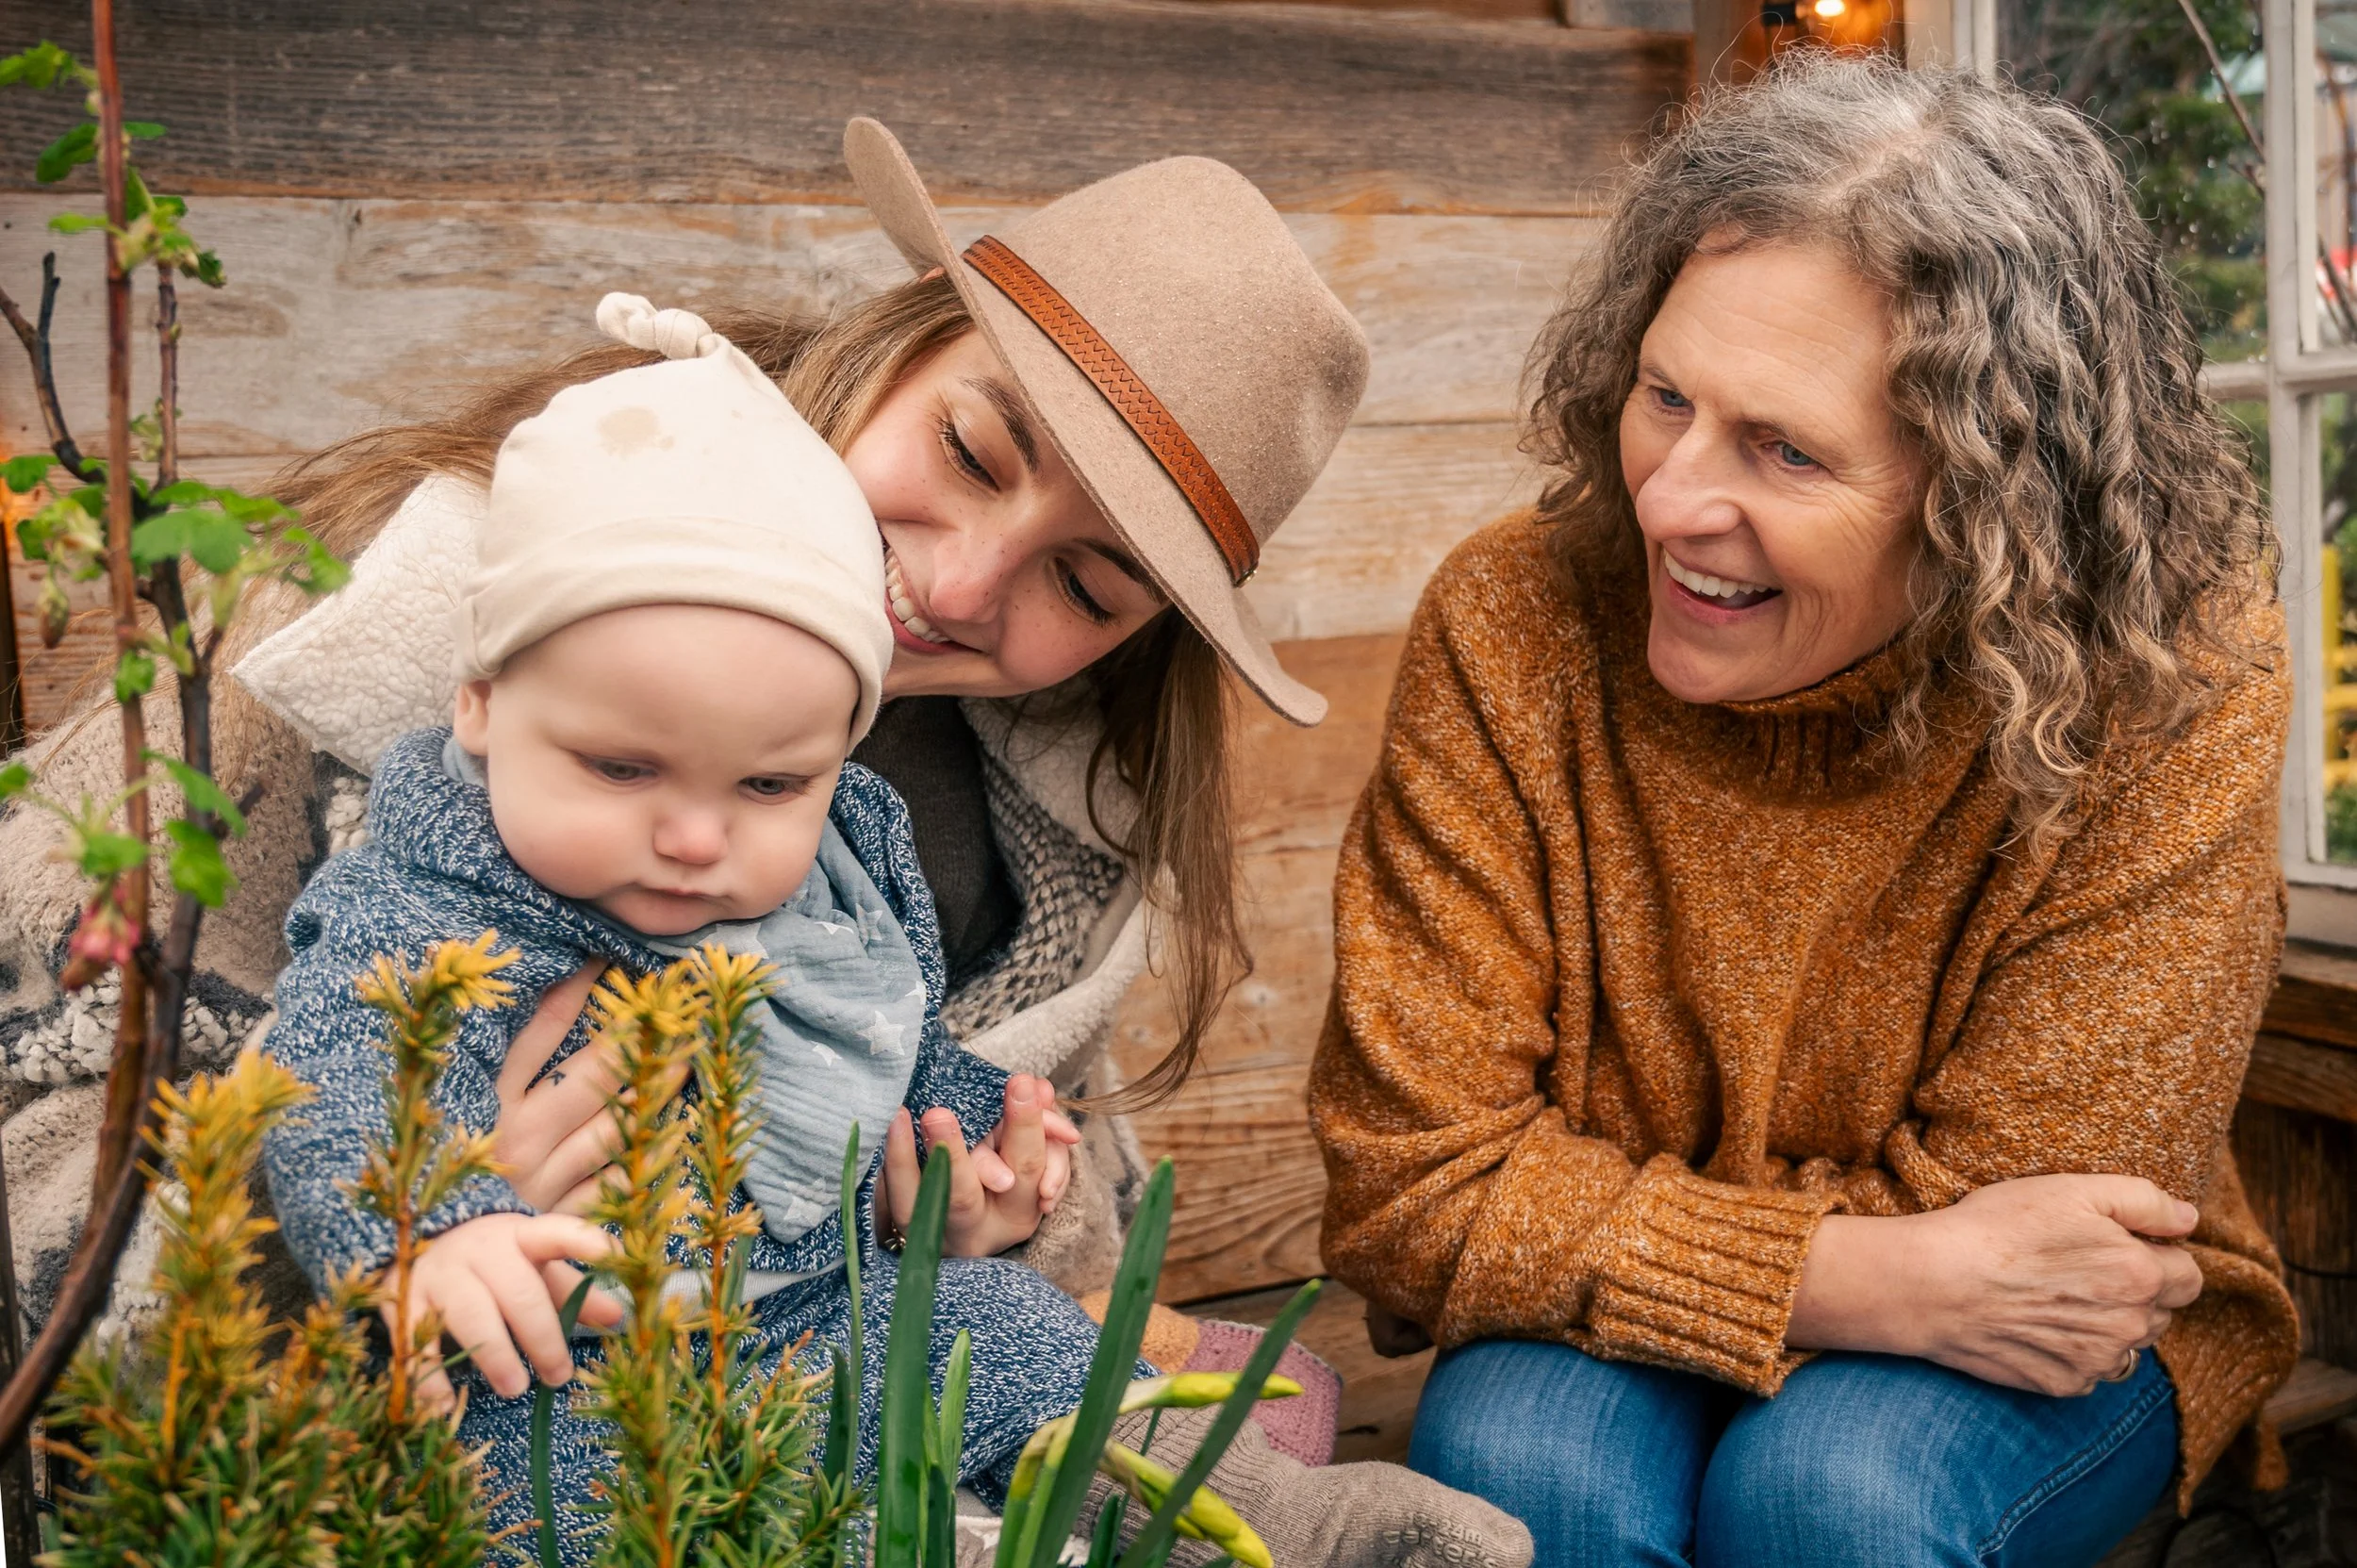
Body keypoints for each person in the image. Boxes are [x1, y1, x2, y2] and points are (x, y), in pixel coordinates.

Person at [1, 122, 1531, 1566]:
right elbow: (61, 1125)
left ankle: (1285, 1519)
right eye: (976, 451)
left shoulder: (1008, 818)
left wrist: (970, 1193)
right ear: (901, 333)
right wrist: (433, 1203)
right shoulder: (419, 639)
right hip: (466, 1405)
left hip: (812, 1334)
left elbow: (931, 1077)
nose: (959, 583)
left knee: (1008, 1363)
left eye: (1089, 582)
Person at [1308, 56, 2299, 1568]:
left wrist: (1578, 1214)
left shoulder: (2170, 669)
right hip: (1637, 1312)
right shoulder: (1509, 618)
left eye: (1782, 448)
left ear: (1989, 505)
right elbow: (1410, 1180)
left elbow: (2048, 1240)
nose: (1664, 500)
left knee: (1829, 1497)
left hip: (2045, 1344)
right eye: (1664, 396)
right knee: (1521, 1479)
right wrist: (1877, 1275)